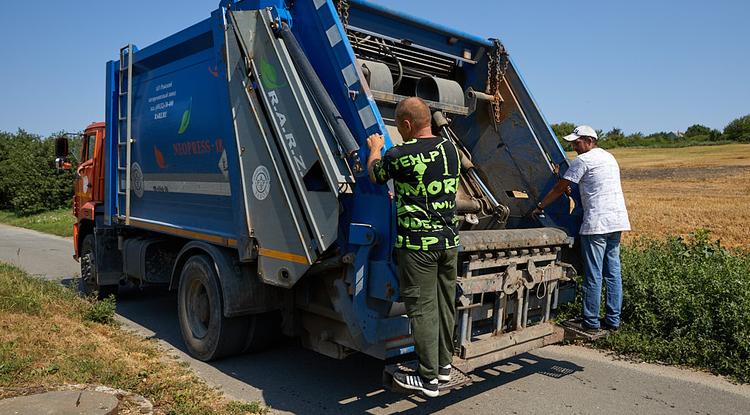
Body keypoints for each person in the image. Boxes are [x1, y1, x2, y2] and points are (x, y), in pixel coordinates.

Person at [367, 97, 461, 398]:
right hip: (449, 242)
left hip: (418, 247)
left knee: (422, 309)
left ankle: (428, 379)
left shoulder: (399, 155)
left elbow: (376, 175)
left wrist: (374, 149)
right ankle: (444, 366)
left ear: (407, 125)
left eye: (400, 126)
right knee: (445, 304)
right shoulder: (451, 150)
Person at [534, 125, 630, 333]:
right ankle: (613, 321)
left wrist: (540, 206)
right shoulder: (609, 158)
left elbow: (560, 188)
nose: (574, 147)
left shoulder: (583, 160)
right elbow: (590, 187)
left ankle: (590, 322)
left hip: (596, 224)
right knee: (613, 273)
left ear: (589, 140)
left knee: (593, 274)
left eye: (576, 143)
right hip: (617, 222)